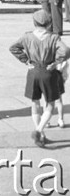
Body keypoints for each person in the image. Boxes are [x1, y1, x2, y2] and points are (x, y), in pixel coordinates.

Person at [9, 9, 70, 147]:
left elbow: (13, 48)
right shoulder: (53, 38)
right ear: (49, 23)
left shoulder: (27, 36)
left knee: (35, 102)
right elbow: (66, 51)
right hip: (48, 71)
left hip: (33, 71)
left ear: (34, 22)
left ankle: (40, 135)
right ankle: (39, 130)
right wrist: (56, 62)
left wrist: (26, 61)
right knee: (50, 104)